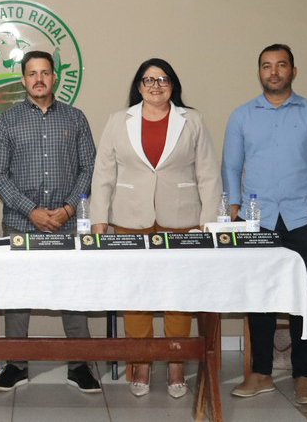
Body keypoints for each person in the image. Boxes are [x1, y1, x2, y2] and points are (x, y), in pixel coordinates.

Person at [89, 58, 222, 399]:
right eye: (149, 80)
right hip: (130, 220)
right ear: (139, 86)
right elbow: (103, 173)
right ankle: (142, 362)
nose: (156, 85)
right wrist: (98, 218)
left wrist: (208, 222)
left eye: (163, 79)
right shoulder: (119, 120)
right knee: (136, 293)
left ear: (172, 85)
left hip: (181, 219)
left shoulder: (192, 120)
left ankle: (176, 363)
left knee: (177, 293)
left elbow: (208, 173)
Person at [222, 43, 307, 405]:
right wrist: (233, 209)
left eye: (281, 65)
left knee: (302, 296)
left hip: (303, 218)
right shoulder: (242, 115)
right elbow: (231, 166)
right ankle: (261, 373)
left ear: (293, 70)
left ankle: (303, 375)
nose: (273, 72)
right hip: (255, 220)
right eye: (266, 66)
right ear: (259, 71)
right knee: (259, 297)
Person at [0, 50, 100, 394]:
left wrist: (67, 209)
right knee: (17, 297)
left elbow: (89, 168)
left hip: (67, 224)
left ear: (54, 78)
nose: (39, 79)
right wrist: (31, 211)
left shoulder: (75, 118)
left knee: (72, 295)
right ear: (23, 80)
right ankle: (15, 365)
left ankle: (79, 366)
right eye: (32, 73)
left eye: (45, 73)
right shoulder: (6, 121)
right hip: (21, 224)